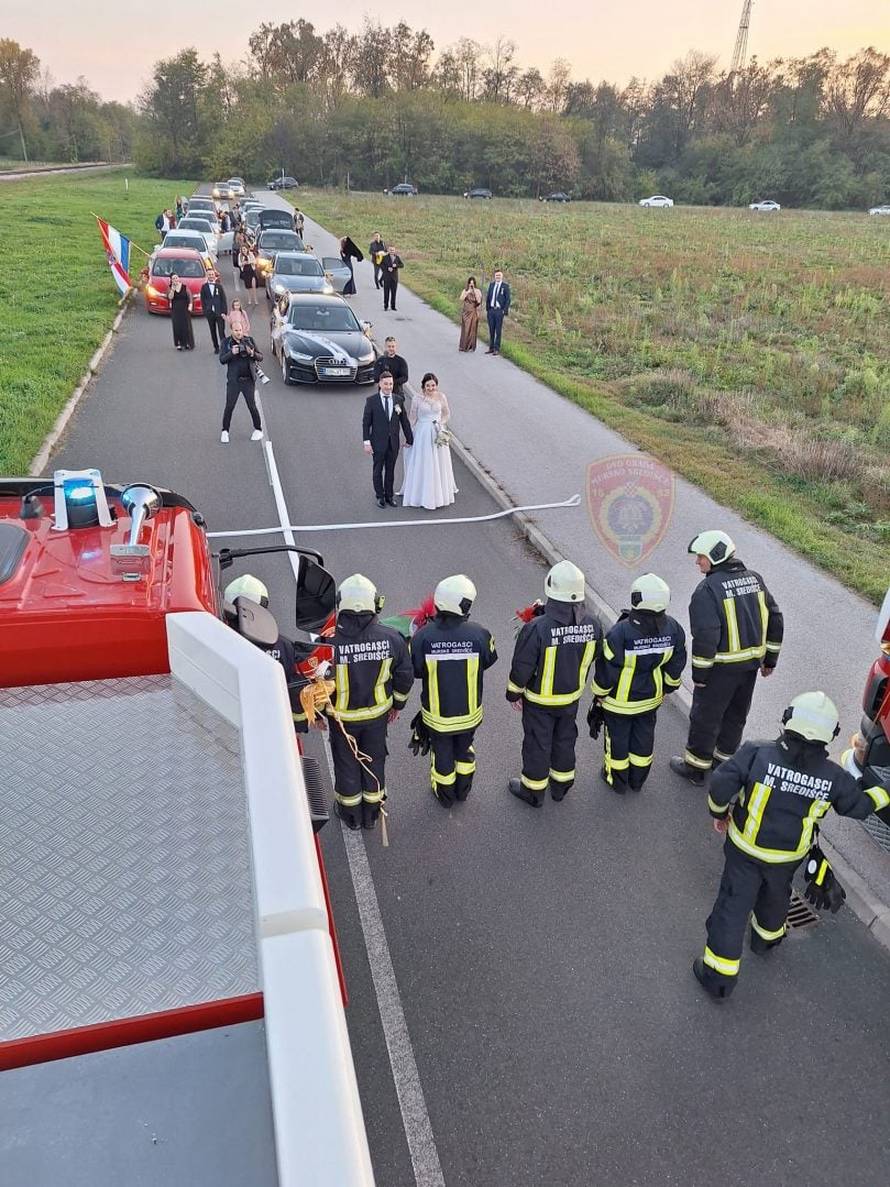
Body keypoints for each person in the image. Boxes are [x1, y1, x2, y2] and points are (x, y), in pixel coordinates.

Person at [694, 691, 890, 1001]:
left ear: (789, 719)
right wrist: (886, 789)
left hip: (745, 851)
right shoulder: (833, 777)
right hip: (787, 859)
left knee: (732, 908)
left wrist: (720, 813)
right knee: (775, 898)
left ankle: (718, 978)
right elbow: (862, 806)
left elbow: (720, 785)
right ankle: (765, 941)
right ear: (831, 734)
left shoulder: (756, 753)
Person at [670, 531, 783, 786]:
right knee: (735, 716)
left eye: (700, 557)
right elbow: (776, 618)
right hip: (750, 669)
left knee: (705, 718)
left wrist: (699, 675)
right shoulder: (755, 580)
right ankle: (724, 765)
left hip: (720, 670)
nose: (697, 562)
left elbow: (706, 636)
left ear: (715, 556)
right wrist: (770, 661)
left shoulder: (707, 590)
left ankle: (696, 768)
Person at [507, 561, 602, 807]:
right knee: (564, 740)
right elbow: (594, 656)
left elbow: (522, 666)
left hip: (539, 701)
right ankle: (560, 787)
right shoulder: (593, 624)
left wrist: (513, 694)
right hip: (571, 698)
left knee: (538, 744)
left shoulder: (537, 628)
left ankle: (533, 791)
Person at [326, 574, 414, 831]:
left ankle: (350, 814)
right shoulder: (393, 638)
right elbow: (404, 676)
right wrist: (397, 705)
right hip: (377, 718)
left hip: (342, 720)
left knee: (346, 763)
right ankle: (372, 814)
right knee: (374, 760)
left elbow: (316, 683)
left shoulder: (328, 641)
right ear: (374, 603)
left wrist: (320, 714)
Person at [590, 574, 686, 793]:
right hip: (650, 700)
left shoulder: (620, 632)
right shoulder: (674, 629)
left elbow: (607, 669)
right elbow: (676, 665)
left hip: (618, 703)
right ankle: (637, 780)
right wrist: (668, 688)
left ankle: (616, 781)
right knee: (643, 740)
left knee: (617, 742)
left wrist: (599, 693)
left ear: (636, 598)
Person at [410, 575, 498, 806]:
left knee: (442, 754)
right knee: (465, 749)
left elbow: (415, 671)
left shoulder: (423, 637)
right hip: (469, 714)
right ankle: (463, 790)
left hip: (438, 718)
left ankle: (445, 795)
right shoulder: (480, 634)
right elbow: (488, 661)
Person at [222, 574, 309, 734]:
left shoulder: (218, 641)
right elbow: (294, 689)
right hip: (273, 727)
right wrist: (299, 726)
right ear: (262, 606)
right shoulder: (283, 646)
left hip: (228, 725)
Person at [399, 372, 458, 511]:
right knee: (424, 461)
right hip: (422, 433)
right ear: (423, 386)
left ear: (436, 385)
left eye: (433, 385)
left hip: (437, 431)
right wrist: (408, 437)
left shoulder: (441, 396)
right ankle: (421, 493)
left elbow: (446, 413)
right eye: (428, 385)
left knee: (439, 461)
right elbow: (412, 418)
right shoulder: (417, 399)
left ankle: (439, 492)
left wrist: (440, 424)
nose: (431, 388)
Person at [362, 371, 413, 508]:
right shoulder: (371, 401)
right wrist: (366, 442)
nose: (388, 386)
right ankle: (380, 496)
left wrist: (410, 439)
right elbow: (366, 423)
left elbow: (404, 421)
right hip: (377, 443)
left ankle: (389, 496)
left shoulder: (398, 400)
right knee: (378, 470)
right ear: (380, 384)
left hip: (393, 443)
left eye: (390, 384)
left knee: (390, 470)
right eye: (386, 384)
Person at [219, 323, 263, 443]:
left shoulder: (250, 341)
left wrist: (252, 353)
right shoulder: (226, 343)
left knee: (252, 406)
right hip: (234, 381)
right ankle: (225, 431)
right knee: (229, 406)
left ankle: (258, 429)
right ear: (231, 330)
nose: (239, 332)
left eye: (240, 330)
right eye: (236, 330)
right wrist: (231, 353)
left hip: (248, 380)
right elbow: (222, 360)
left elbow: (260, 357)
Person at [200, 269, 228, 353]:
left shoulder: (219, 286)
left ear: (214, 275)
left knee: (221, 331)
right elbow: (203, 299)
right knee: (213, 331)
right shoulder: (204, 287)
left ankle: (224, 347)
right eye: (209, 274)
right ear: (207, 276)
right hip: (210, 313)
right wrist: (205, 311)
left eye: (212, 274)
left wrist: (224, 312)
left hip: (219, 312)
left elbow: (223, 299)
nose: (211, 276)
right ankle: (216, 347)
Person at [485, 269, 511, 354]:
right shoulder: (492, 285)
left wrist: (504, 310)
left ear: (502, 276)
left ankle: (497, 348)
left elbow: (508, 300)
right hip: (491, 310)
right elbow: (488, 297)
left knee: (498, 330)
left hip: (499, 311)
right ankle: (491, 347)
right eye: (496, 275)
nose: (498, 277)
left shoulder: (505, 286)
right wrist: (488, 309)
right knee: (491, 329)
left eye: (499, 275)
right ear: (494, 276)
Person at [167, 274, 194, 350]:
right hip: (175, 309)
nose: (175, 279)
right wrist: (173, 289)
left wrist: (190, 304)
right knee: (177, 326)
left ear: (179, 278)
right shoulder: (169, 288)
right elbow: (170, 297)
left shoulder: (184, 287)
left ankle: (187, 343)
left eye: (176, 278)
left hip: (184, 308)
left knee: (186, 326)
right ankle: (179, 343)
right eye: (173, 278)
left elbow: (189, 295)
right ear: (171, 280)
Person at [459, 277, 482, 351]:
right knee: (465, 329)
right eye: (470, 283)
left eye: (473, 283)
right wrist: (468, 292)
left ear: (474, 284)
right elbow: (461, 299)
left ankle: (470, 346)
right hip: (466, 311)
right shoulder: (465, 290)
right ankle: (463, 346)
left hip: (473, 312)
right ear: (468, 283)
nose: (471, 284)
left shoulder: (478, 291)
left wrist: (474, 291)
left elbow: (479, 300)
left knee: (472, 329)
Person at [238, 241, 259, 306]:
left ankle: (255, 299)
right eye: (242, 249)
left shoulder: (250, 254)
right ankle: (249, 299)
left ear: (247, 249)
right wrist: (243, 263)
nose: (244, 251)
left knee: (253, 286)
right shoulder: (240, 255)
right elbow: (239, 264)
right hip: (245, 272)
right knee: (248, 287)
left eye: (244, 249)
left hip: (251, 271)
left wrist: (249, 261)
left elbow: (255, 261)